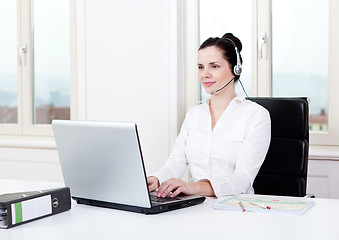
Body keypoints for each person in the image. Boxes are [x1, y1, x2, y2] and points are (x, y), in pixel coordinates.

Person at [147, 33, 271, 198]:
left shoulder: (256, 116)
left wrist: (194, 187)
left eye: (214, 66)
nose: (205, 74)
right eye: (200, 67)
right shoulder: (194, 115)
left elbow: (243, 179)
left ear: (236, 69)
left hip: (236, 209)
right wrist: (156, 179)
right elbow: (175, 162)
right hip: (195, 206)